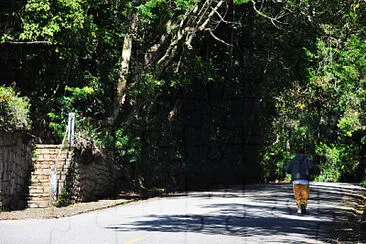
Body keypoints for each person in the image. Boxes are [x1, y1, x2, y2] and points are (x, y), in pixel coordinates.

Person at [285, 149, 313, 214]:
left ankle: (299, 209)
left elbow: (287, 168)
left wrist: (291, 172)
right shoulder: (307, 159)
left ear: (297, 153)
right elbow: (311, 167)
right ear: (304, 153)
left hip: (295, 180)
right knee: (304, 195)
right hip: (304, 180)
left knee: (297, 195)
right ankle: (303, 203)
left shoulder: (293, 159)